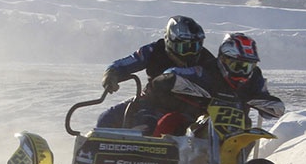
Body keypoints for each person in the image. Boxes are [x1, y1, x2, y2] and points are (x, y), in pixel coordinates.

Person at [143, 32, 285, 136]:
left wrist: (259, 102)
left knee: (251, 133)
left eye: (247, 67)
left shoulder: (255, 77)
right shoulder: (207, 70)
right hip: (199, 120)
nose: (242, 71)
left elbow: (273, 107)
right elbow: (172, 74)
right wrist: (171, 81)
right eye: (237, 66)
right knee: (170, 120)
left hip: (238, 128)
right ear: (223, 60)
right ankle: (151, 159)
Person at [97, 16, 214, 129]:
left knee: (145, 125)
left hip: (187, 110)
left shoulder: (208, 61)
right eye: (184, 48)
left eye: (196, 47)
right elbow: (124, 64)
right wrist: (111, 74)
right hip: (150, 100)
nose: (191, 54)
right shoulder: (154, 50)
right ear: (169, 42)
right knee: (106, 119)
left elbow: (216, 85)